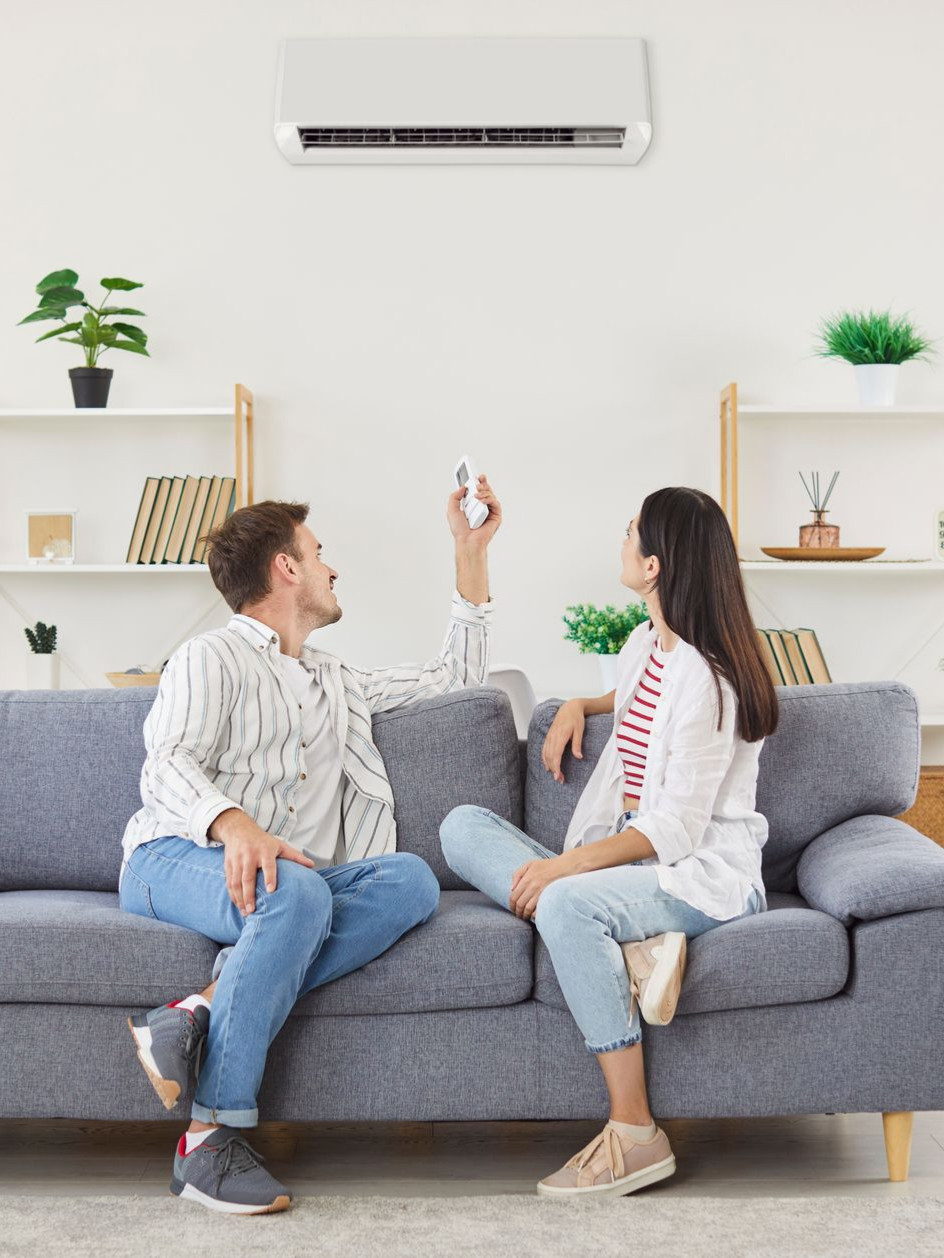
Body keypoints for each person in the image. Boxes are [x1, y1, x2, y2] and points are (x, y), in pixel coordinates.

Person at [119, 475, 501, 1214]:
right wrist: (236, 827)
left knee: (411, 881)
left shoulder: (337, 680)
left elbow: (459, 677)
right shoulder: (210, 657)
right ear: (286, 568)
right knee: (297, 888)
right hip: (173, 857)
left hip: (290, 889)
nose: (332, 568)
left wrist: (470, 550)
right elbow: (165, 764)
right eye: (319, 554)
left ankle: (196, 1008)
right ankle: (208, 1141)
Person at [440, 485, 778, 1199]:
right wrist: (577, 705)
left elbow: (677, 829)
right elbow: (636, 705)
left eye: (632, 533)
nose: (621, 541)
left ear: (655, 565)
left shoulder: (710, 679)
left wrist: (564, 871)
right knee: (460, 828)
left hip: (697, 869)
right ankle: (635, 949)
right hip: (636, 856)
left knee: (565, 908)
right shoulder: (644, 645)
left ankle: (635, 1133)